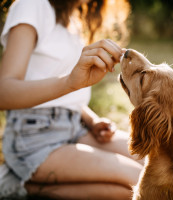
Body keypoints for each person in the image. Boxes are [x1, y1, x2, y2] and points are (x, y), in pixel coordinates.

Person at [0, 0, 142, 199]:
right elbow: (3, 92)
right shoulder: (32, 5)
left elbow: (60, 95)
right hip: (34, 138)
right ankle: (18, 185)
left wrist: (91, 121)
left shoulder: (74, 18)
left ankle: (23, 185)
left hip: (76, 127)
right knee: (141, 181)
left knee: (155, 164)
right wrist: (69, 82)